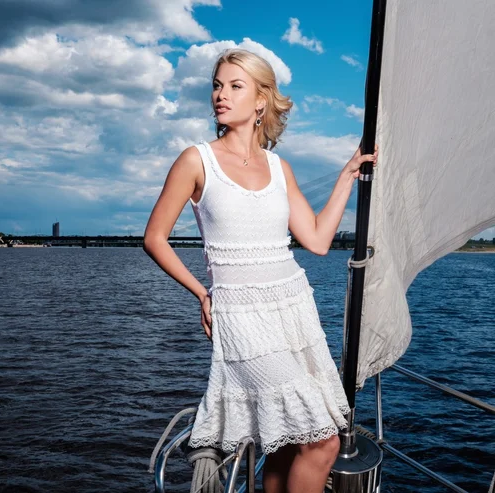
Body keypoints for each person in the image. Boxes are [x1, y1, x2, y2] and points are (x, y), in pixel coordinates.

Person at [143, 48, 378, 493]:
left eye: (234, 86)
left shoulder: (278, 166)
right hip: (242, 316)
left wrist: (346, 176)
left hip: (293, 307)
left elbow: (316, 240)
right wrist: (202, 293)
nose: (220, 95)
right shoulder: (196, 160)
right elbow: (154, 238)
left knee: (286, 443)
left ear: (260, 101)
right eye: (216, 85)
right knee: (323, 443)